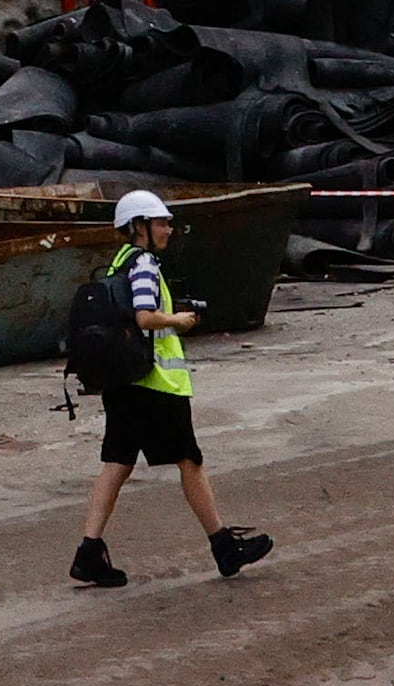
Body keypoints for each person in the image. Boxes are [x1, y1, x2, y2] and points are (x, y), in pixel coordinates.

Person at [70, 189, 273, 588]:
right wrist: (177, 321)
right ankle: (223, 547)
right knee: (190, 462)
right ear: (139, 227)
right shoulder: (144, 262)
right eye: (161, 222)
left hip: (124, 383)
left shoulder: (118, 263)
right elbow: (145, 317)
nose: (168, 229)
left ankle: (89, 552)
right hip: (156, 386)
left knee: (117, 462)